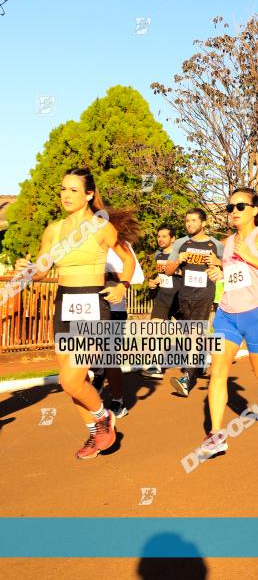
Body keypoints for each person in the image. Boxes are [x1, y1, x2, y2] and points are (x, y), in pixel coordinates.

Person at [14, 168, 138, 459]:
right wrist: (27, 269)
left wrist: (123, 285)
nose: (66, 195)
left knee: (69, 380)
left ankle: (103, 415)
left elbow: (126, 259)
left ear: (89, 195)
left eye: (73, 190)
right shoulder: (54, 229)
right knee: (73, 384)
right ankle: (96, 433)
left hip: (93, 304)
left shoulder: (100, 226)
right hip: (65, 304)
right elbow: (42, 269)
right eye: (63, 189)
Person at [197, 188, 258, 457]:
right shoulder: (227, 243)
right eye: (230, 207)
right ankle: (217, 434)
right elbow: (234, 275)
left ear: (254, 209)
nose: (234, 212)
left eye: (240, 206)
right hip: (227, 315)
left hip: (256, 314)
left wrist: (249, 256)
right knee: (218, 372)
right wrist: (219, 272)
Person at [164, 209, 225, 396]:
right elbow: (167, 270)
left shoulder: (215, 244)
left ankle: (187, 380)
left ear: (203, 223)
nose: (189, 224)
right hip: (184, 295)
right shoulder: (181, 243)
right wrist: (177, 262)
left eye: (193, 220)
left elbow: (228, 265)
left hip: (205, 294)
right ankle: (199, 362)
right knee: (188, 335)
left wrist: (218, 263)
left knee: (194, 334)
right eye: (187, 221)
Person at [90, 241, 145, 418]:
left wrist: (108, 273)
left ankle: (118, 401)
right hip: (88, 308)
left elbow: (137, 277)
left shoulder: (120, 243)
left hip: (114, 309)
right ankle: (98, 373)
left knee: (110, 358)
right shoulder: (86, 242)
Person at [144, 224, 181, 379]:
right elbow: (163, 275)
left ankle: (198, 363)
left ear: (172, 239)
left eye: (164, 236)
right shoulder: (158, 255)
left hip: (180, 297)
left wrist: (177, 269)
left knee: (191, 332)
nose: (160, 239)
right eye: (159, 236)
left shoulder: (180, 255)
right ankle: (155, 366)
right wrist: (155, 281)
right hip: (163, 298)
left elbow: (186, 273)